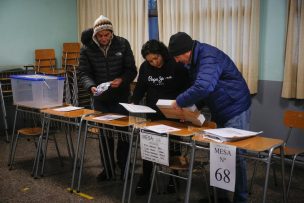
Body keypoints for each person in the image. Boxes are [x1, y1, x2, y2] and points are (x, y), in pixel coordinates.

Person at [168, 32, 251, 203]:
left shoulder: (208, 56)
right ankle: (221, 197)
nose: (177, 60)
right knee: (220, 154)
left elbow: (204, 87)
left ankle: (241, 199)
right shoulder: (194, 61)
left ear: (186, 51)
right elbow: (205, 92)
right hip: (220, 108)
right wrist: (193, 111)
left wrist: (180, 101)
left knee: (236, 156)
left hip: (235, 107)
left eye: (177, 56)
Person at [78, 15, 137, 181]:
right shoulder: (87, 48)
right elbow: (84, 73)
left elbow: (131, 69)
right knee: (105, 136)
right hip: (101, 99)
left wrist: (123, 80)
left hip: (121, 97)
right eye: (100, 35)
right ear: (95, 35)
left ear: (111, 32)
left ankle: (125, 167)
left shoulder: (123, 44)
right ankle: (108, 168)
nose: (104, 38)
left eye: (107, 34)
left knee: (123, 135)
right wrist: (90, 86)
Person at [131, 39, 190, 195]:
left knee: (173, 148)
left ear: (162, 54)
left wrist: (185, 110)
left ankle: (174, 178)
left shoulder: (176, 65)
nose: (153, 63)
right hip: (153, 113)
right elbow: (140, 88)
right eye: (149, 60)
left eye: (156, 58)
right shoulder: (145, 67)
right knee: (149, 147)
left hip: (174, 114)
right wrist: (133, 102)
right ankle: (146, 179)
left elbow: (187, 89)